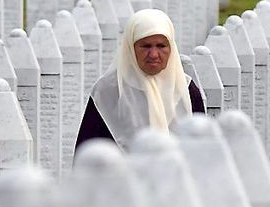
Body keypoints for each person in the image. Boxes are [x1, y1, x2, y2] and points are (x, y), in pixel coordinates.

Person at [76, 9, 204, 151]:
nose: (154, 54)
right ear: (131, 47)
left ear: (171, 48)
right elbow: (88, 153)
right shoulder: (109, 91)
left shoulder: (185, 90)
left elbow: (202, 152)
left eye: (161, 46)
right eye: (146, 46)